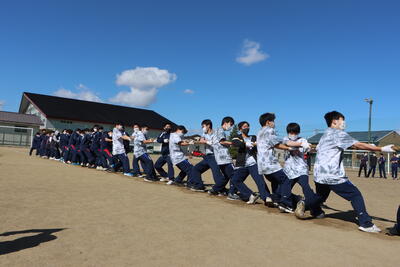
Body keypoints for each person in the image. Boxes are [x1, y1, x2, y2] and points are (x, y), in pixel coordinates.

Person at [312, 111, 395, 233]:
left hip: (319, 174)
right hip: (332, 175)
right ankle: (365, 223)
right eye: (342, 120)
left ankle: (308, 205)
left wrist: (368, 145)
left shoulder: (325, 135)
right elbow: (358, 145)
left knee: (320, 196)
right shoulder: (338, 133)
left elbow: (353, 145)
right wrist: (382, 148)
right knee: (355, 194)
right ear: (334, 121)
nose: (344, 123)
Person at [256, 113, 306, 213]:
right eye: (273, 121)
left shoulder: (259, 132)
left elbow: (275, 145)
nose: (274, 123)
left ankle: (276, 199)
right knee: (286, 180)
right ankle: (285, 203)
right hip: (270, 164)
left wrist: (288, 148)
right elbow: (281, 142)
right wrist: (299, 144)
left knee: (276, 182)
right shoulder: (269, 130)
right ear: (268, 122)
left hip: (262, 165)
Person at [281, 122, 320, 219]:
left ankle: (314, 208)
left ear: (298, 132)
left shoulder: (303, 139)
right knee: (285, 188)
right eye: (291, 132)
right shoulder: (286, 139)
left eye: (294, 132)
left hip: (301, 169)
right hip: (289, 170)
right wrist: (301, 144)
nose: (293, 134)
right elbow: (289, 143)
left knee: (306, 187)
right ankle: (288, 204)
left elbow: (309, 150)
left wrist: (312, 148)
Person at [230, 121, 272, 205]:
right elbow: (235, 142)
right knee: (235, 180)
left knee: (260, 180)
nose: (247, 128)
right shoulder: (237, 137)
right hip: (242, 164)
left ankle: (267, 198)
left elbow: (260, 143)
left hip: (253, 163)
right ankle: (250, 195)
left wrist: (255, 144)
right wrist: (245, 143)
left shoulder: (253, 137)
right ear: (240, 129)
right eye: (244, 126)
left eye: (248, 126)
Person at [191, 119, 227, 195]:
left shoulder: (216, 133)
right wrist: (196, 141)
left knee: (216, 174)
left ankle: (222, 190)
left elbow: (217, 144)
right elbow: (201, 139)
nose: (202, 128)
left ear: (208, 125)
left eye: (203, 126)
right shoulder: (204, 133)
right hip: (207, 156)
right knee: (196, 169)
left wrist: (206, 141)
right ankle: (199, 186)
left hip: (215, 156)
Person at [167, 125, 205, 191]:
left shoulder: (174, 135)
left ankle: (178, 180)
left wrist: (188, 141)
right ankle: (190, 184)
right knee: (191, 169)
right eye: (183, 132)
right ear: (179, 129)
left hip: (177, 157)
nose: (183, 133)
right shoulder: (175, 135)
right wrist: (190, 142)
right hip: (178, 157)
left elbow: (182, 142)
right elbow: (181, 143)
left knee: (185, 169)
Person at [211, 116, 239, 200]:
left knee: (226, 176)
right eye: (230, 124)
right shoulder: (220, 130)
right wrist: (233, 143)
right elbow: (222, 141)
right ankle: (232, 193)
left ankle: (215, 189)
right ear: (225, 123)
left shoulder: (218, 130)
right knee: (234, 174)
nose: (230, 126)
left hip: (220, 157)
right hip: (224, 157)